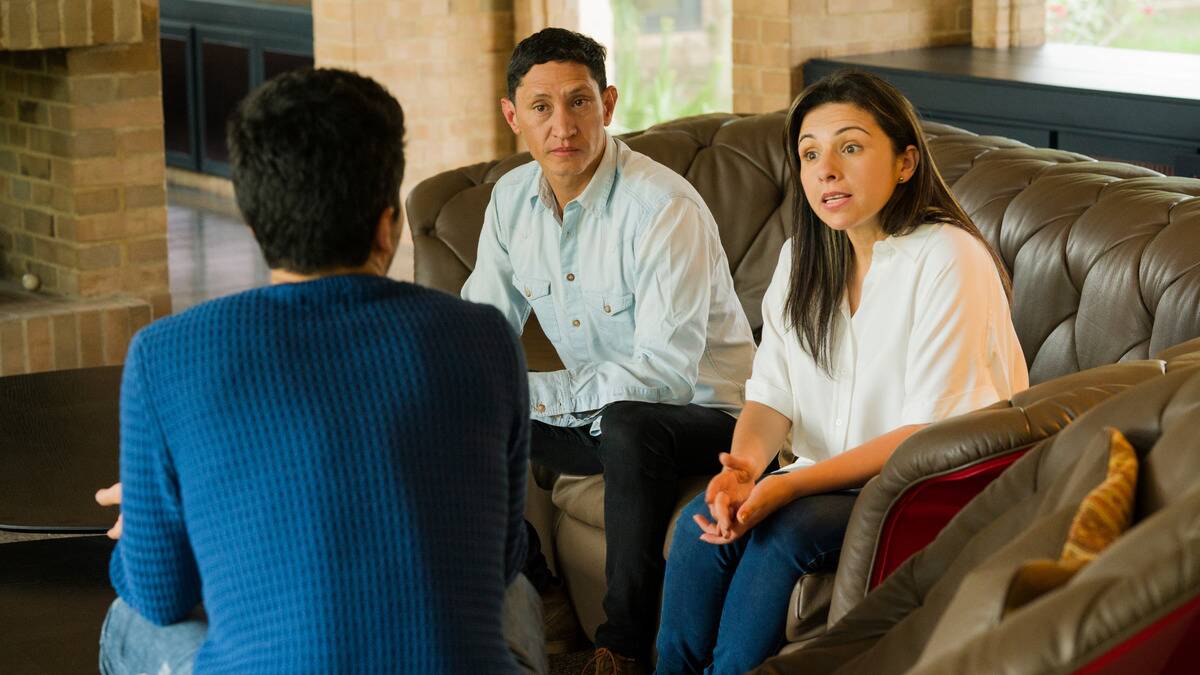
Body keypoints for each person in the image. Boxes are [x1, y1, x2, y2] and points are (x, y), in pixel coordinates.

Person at [93, 68, 544, 675]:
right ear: (387, 223)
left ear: (254, 225)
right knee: (518, 595)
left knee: (129, 617)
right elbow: (503, 558)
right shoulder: (486, 337)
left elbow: (160, 593)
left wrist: (152, 523)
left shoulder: (165, 355)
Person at [654, 70, 1030, 675]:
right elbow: (771, 393)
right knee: (705, 523)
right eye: (810, 153)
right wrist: (746, 469)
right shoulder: (802, 257)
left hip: (927, 489)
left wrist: (789, 485)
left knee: (785, 531)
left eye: (850, 147)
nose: (826, 168)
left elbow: (926, 433)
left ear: (905, 163)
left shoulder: (948, 257)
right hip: (824, 481)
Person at [461, 28, 756, 675]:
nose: (562, 124)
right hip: (602, 414)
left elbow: (667, 376)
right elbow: (482, 328)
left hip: (712, 415)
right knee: (461, 415)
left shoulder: (660, 207)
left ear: (609, 103)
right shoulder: (511, 202)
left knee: (626, 423)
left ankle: (619, 647)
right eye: (541, 107)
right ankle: (541, 588)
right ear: (513, 117)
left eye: (579, 102)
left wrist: (530, 393)